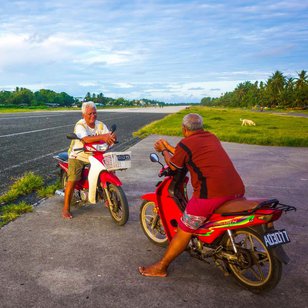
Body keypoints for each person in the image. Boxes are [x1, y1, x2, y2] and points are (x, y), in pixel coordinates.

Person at [138, 113, 245, 277]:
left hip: (210, 194)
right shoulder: (211, 137)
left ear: (184, 129)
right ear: (201, 127)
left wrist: (164, 150)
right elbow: (186, 152)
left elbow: (173, 165)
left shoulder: (186, 143)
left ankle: (161, 267)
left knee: (185, 229)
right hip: (236, 189)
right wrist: (169, 146)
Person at [62, 101, 116, 219]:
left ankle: (109, 197)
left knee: (110, 169)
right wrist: (103, 137)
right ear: (83, 115)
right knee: (73, 179)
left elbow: (108, 136)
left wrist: (111, 138)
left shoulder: (101, 125)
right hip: (78, 155)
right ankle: (66, 208)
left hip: (96, 154)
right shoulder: (80, 125)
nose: (93, 116)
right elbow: (85, 139)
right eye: (90, 114)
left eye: (95, 113)